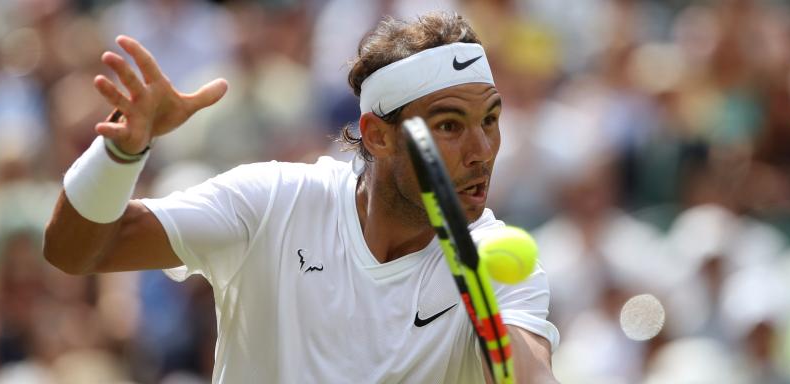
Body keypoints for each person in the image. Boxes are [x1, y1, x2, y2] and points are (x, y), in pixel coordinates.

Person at [44, 12, 559, 383]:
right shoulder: (274, 203)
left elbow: (533, 375)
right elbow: (73, 251)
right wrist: (121, 156)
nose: (482, 151)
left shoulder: (496, 261)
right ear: (377, 136)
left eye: (491, 121)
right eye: (450, 126)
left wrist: (488, 322)